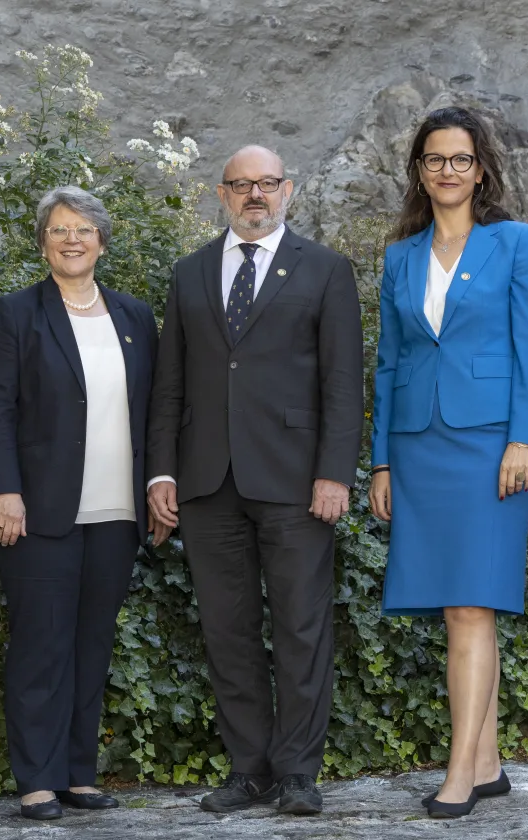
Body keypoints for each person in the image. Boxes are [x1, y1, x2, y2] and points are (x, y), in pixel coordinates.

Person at [146, 145, 364, 817]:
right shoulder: (189, 275)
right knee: (228, 630)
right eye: (241, 186)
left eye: (266, 184)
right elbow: (170, 387)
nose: (254, 196)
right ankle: (251, 770)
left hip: (297, 481)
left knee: (301, 628)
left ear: (287, 190)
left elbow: (342, 384)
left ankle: (298, 772)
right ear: (222, 193)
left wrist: (334, 472)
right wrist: (161, 471)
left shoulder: (325, 270)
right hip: (208, 482)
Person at [368, 106, 528, 819]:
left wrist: (522, 440)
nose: (448, 170)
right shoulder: (400, 255)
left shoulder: (516, 243)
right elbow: (389, 363)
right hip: (419, 445)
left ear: (482, 170)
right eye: (435, 159)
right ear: (419, 170)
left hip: (486, 446)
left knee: (473, 603)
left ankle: (458, 774)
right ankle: (486, 761)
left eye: (461, 159)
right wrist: (381, 461)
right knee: (457, 609)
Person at [0, 186, 158, 820]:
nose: (72, 239)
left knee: (91, 646)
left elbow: (155, 412)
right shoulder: (18, 313)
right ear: (43, 243)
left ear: (102, 242)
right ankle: (36, 778)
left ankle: (80, 773)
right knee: (40, 647)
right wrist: (6, 489)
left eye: (83, 229)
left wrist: (159, 483)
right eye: (59, 230)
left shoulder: (135, 318)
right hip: (40, 510)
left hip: (116, 511)